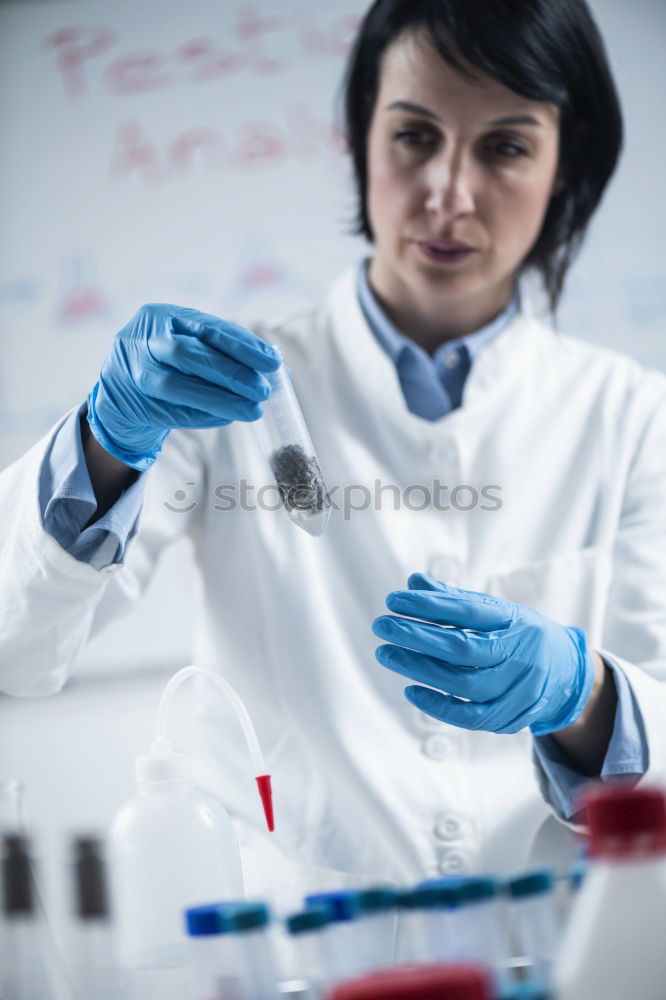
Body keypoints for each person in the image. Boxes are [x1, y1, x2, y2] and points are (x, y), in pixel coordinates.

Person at [1, 0, 665, 904]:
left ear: (567, 162)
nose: (449, 193)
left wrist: (586, 694)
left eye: (505, 146)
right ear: (359, 139)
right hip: (295, 950)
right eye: (414, 136)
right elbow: (18, 649)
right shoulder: (221, 392)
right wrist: (104, 442)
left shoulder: (632, 417)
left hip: (548, 943)